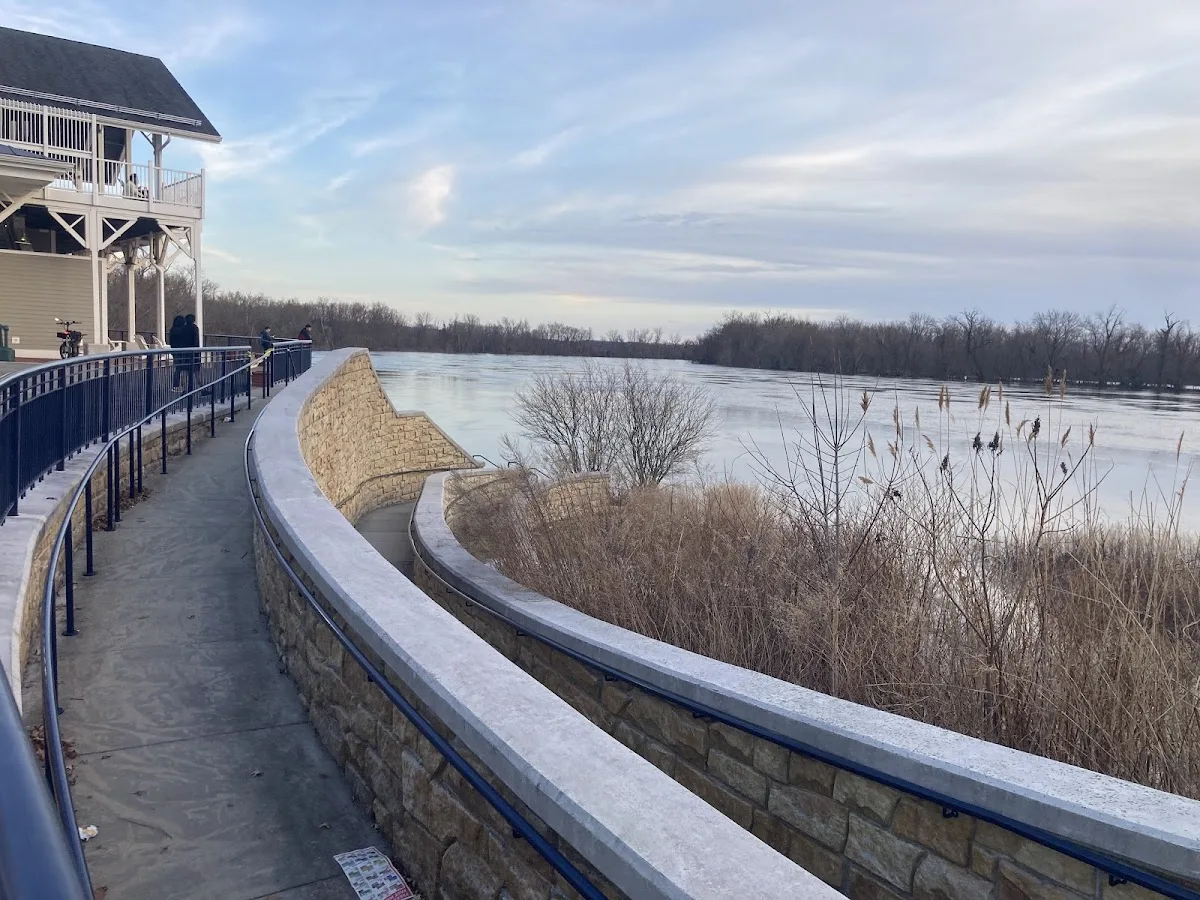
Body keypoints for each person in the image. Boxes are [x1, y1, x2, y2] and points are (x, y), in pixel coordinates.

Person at [168, 315, 188, 391]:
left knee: (178, 368)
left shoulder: (173, 329)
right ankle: (178, 385)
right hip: (180, 352)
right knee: (180, 369)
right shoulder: (180, 331)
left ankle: (177, 385)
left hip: (175, 351)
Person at [185, 314, 201, 391]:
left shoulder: (183, 328)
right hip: (194, 353)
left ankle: (184, 389)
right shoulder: (194, 328)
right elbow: (196, 340)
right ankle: (200, 387)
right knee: (196, 371)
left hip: (185, 353)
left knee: (185, 371)